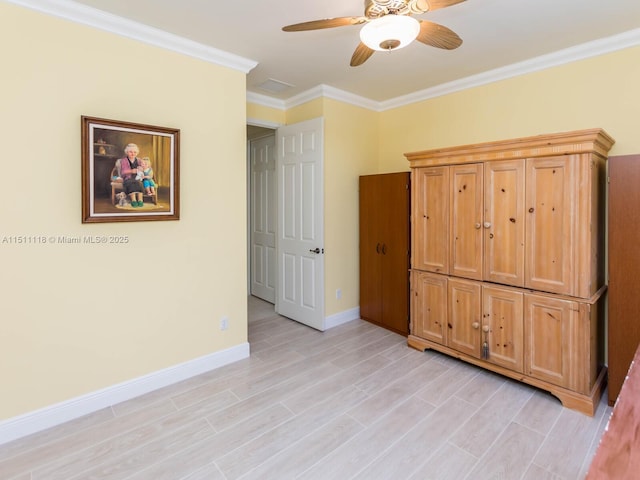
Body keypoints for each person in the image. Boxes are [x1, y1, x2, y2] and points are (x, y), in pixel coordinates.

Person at [118, 143, 145, 207]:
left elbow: (144, 167)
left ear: (137, 153)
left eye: (135, 152)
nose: (133, 154)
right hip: (128, 178)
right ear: (127, 152)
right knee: (131, 183)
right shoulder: (124, 161)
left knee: (139, 183)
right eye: (131, 152)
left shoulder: (139, 160)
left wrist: (141, 169)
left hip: (137, 178)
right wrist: (131, 171)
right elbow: (123, 172)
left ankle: (140, 200)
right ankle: (134, 200)